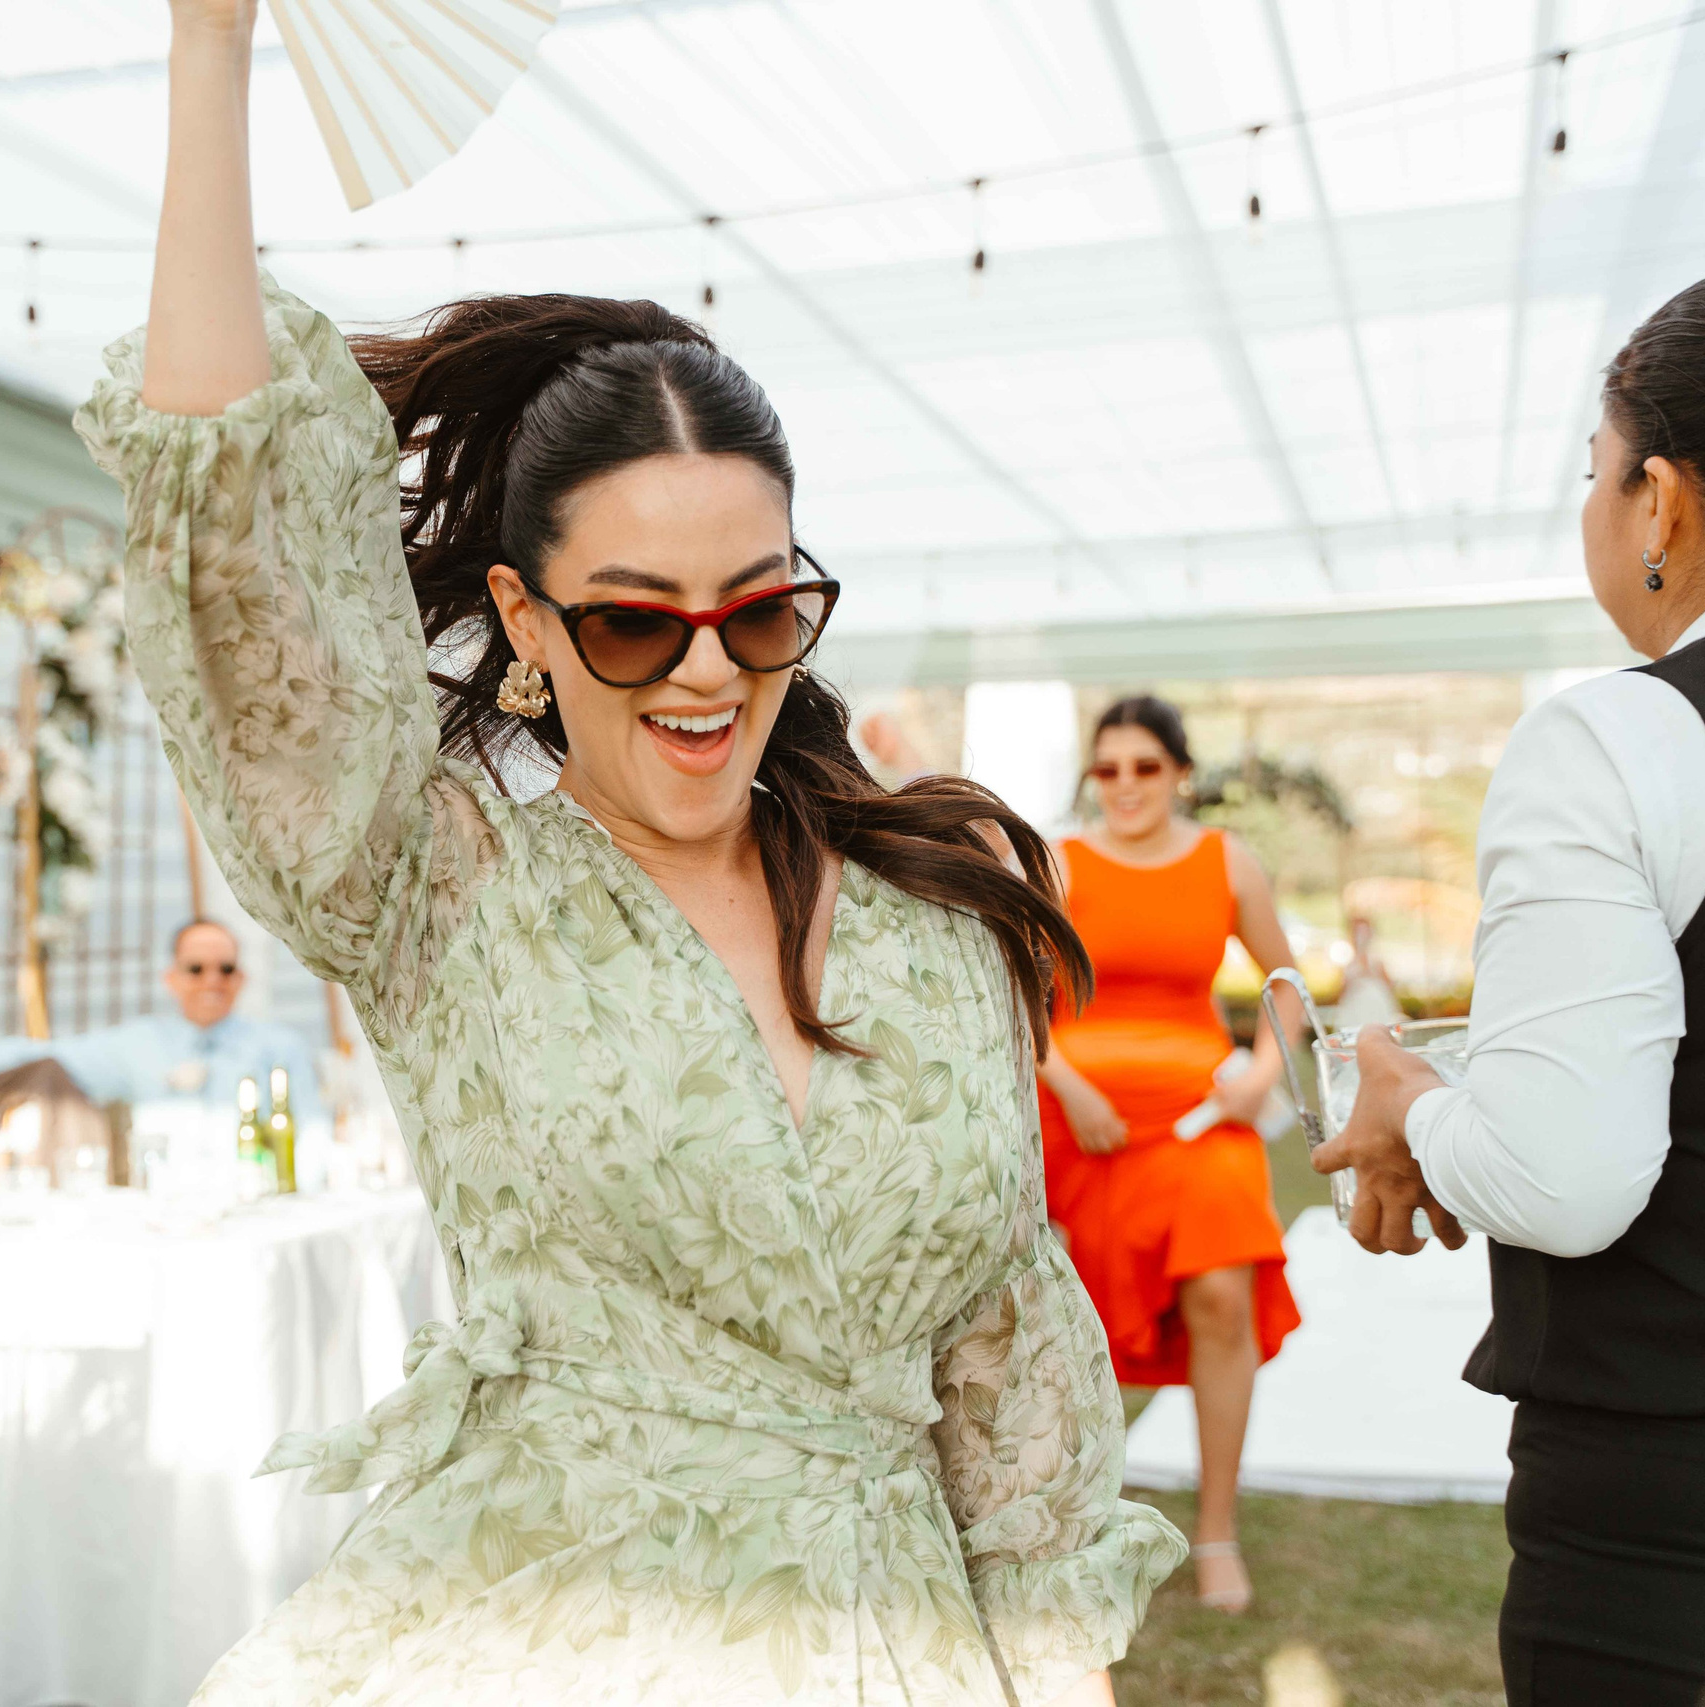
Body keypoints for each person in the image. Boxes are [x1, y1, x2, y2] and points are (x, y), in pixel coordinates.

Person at [74, 6, 1186, 1701]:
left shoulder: (934, 915)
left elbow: (1011, 1390)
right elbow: (233, 548)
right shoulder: (439, 889)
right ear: (525, 621)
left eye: (760, 610)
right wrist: (211, 52)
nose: (705, 672)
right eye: (633, 621)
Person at [1321, 261, 1705, 1703]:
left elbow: (1562, 1178)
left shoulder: (1621, 741)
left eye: (1593, 472)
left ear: (1660, 502)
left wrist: (1408, 1099)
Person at [1035, 696, 1301, 1613]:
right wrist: (1069, 1087)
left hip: (1201, 1116)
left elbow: (1285, 986)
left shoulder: (1228, 861)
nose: (1125, 784)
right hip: (1085, 1119)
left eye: (1145, 766)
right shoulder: (1059, 862)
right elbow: (1011, 991)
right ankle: (1069, 1517)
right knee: (1072, 1318)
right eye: (1107, 768)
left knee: (1224, 1293)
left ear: (1182, 774)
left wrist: (1262, 1071)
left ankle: (1216, 1529)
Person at [0, 917, 322, 1121]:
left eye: (225, 969)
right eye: (196, 969)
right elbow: (40, 1053)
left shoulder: (280, 1046)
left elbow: (311, 1128)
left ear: (240, 979)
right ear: (171, 979)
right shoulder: (141, 1043)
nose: (212, 980)